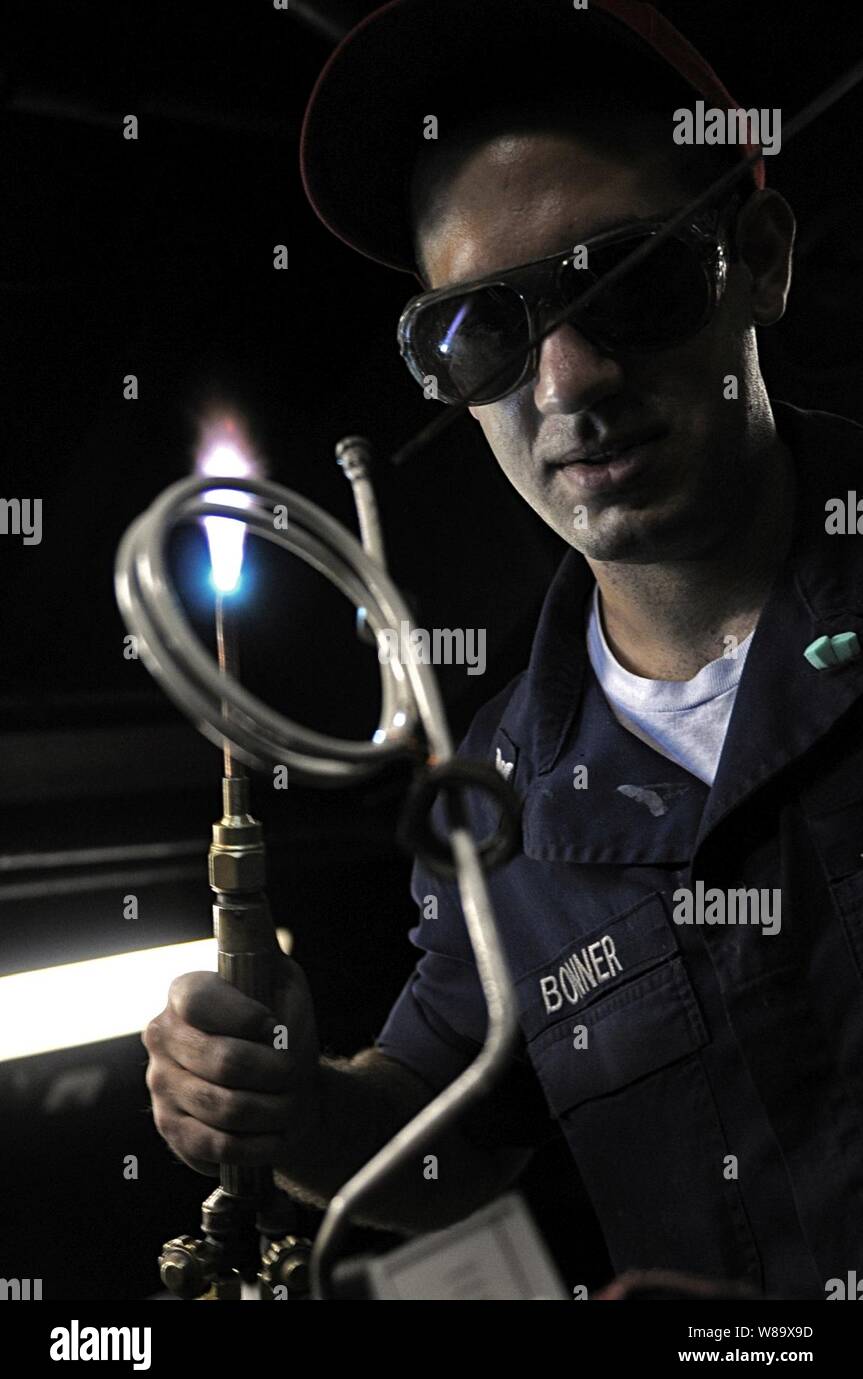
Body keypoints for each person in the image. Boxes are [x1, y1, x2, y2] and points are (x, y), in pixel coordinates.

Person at [142, 1, 863, 1298]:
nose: (568, 376)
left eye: (632, 280)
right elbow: (445, 1133)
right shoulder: (505, 798)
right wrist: (295, 1104)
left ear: (758, 256)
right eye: (483, 329)